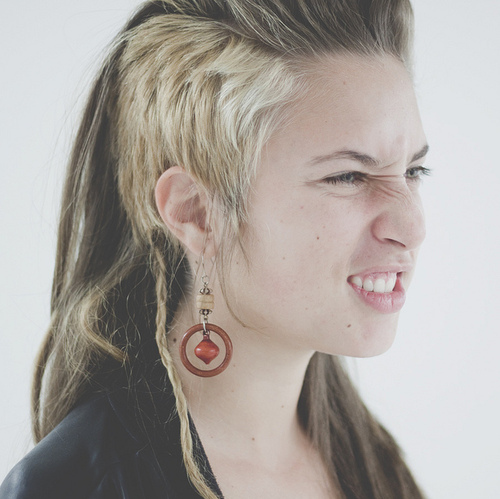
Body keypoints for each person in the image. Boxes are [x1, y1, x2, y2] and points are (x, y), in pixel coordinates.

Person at [0, 0, 430, 497]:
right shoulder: (76, 487)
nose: (412, 227)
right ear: (197, 213)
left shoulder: (376, 467)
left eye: (414, 171)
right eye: (348, 176)